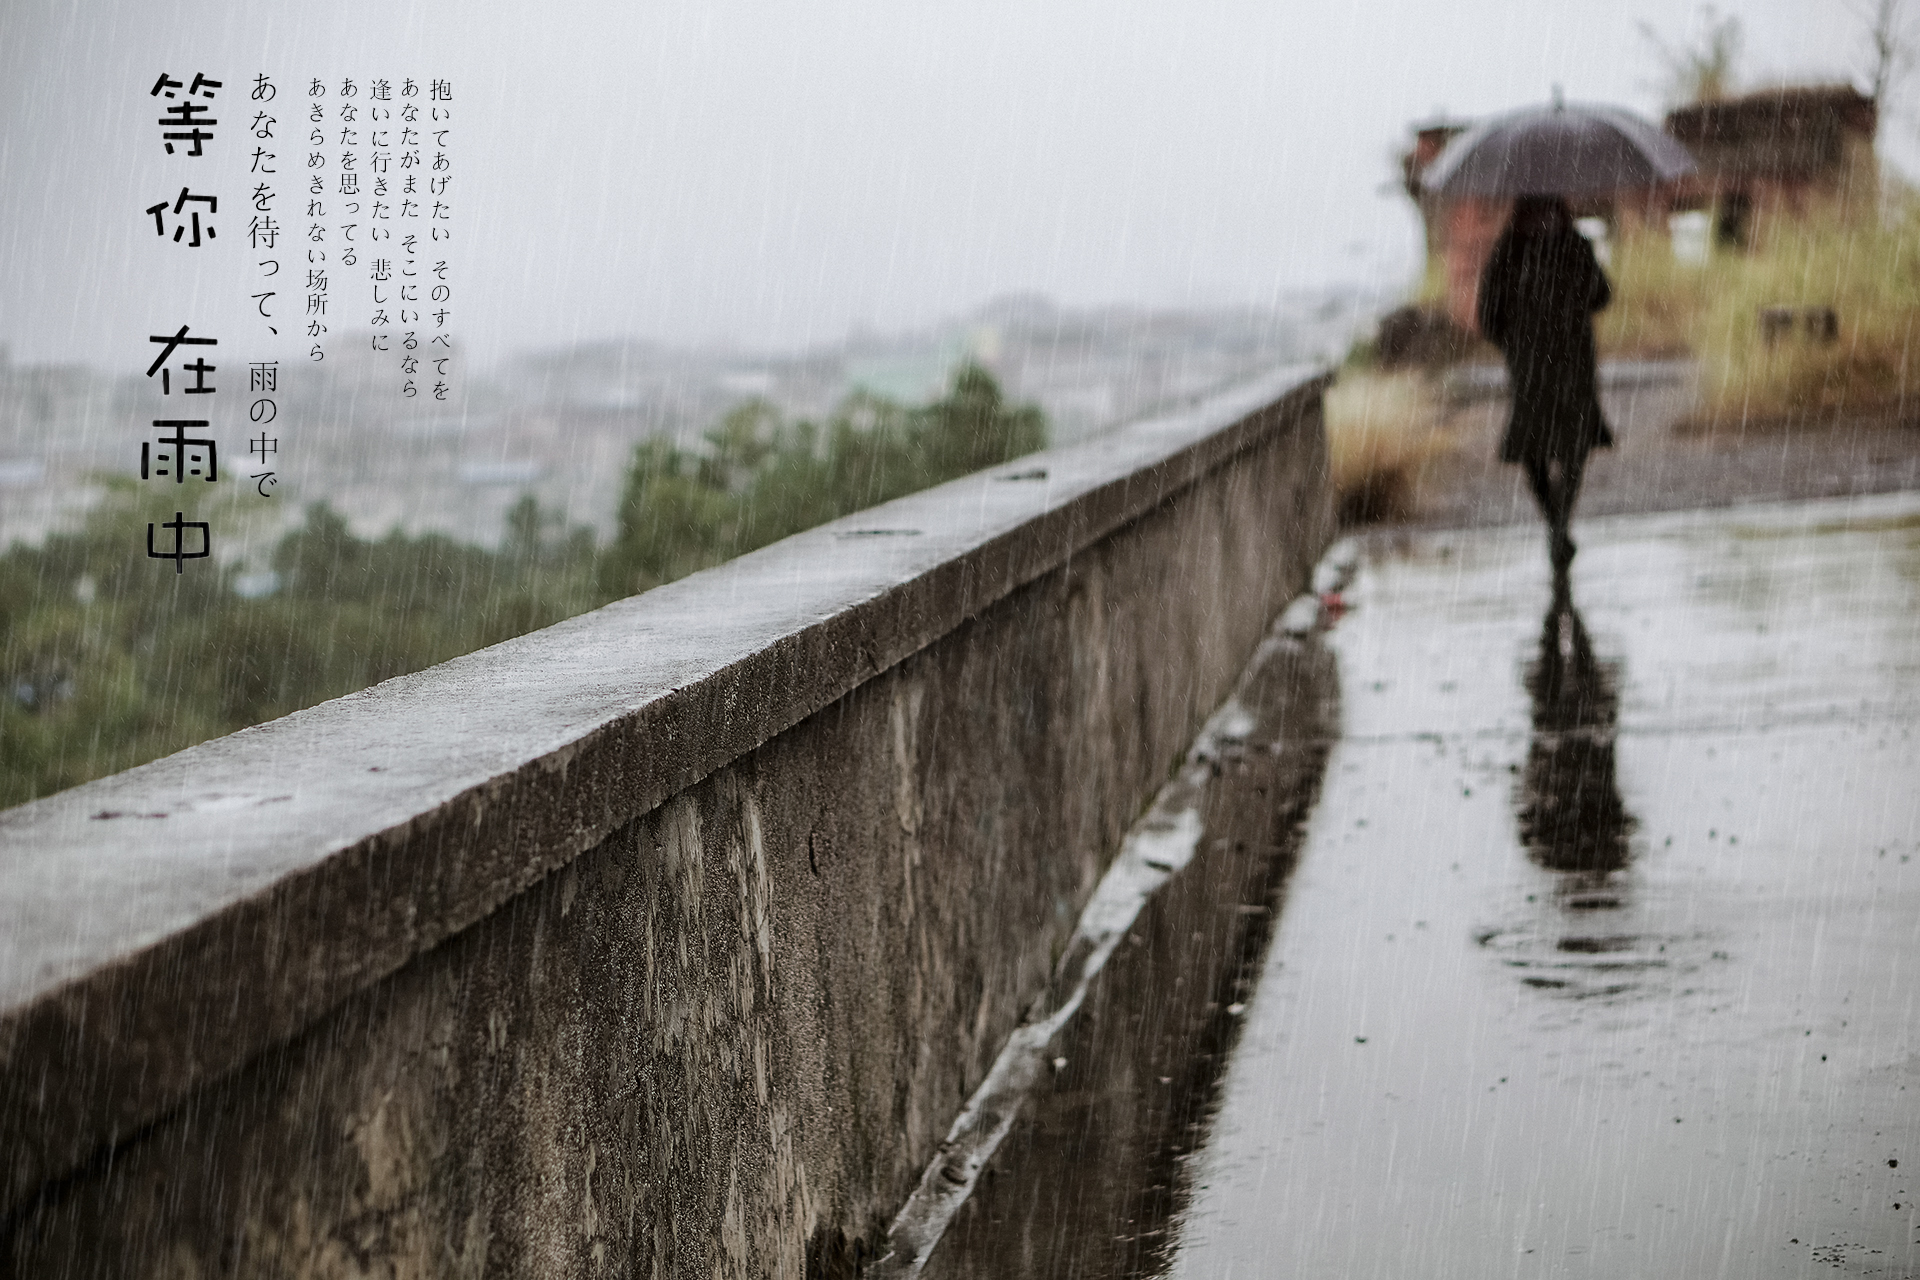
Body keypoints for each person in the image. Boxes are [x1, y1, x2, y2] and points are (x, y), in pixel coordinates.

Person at [1476, 194, 1613, 572]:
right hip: (1570, 362)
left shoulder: (1509, 251)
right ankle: (1559, 522)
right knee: (1571, 443)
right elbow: (1602, 296)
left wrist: (1515, 338)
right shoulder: (1573, 244)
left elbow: (1487, 315)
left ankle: (1555, 523)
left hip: (1532, 365)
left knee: (1533, 445)